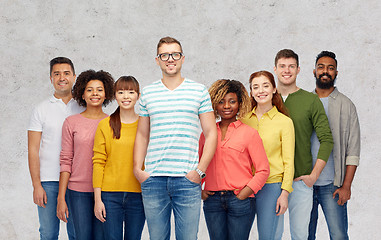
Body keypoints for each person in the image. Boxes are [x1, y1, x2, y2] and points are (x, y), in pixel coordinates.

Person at [133, 36, 218, 240]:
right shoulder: (148, 93)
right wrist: (138, 169)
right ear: (157, 60)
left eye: (175, 54)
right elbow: (142, 134)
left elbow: (211, 133)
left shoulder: (198, 91)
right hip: (154, 180)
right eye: (164, 55)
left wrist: (200, 171)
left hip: (187, 180)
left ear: (182, 58)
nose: (170, 59)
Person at [273, 49, 334, 240]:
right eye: (282, 66)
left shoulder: (310, 100)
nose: (287, 70)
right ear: (275, 69)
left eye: (291, 66)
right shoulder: (265, 98)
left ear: (298, 69)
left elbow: (327, 139)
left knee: (300, 235)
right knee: (271, 235)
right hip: (272, 181)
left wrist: (313, 176)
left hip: (300, 181)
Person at [200, 79, 270, 240]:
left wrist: (245, 192)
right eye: (221, 102)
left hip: (240, 200)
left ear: (239, 103)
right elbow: (196, 164)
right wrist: (200, 190)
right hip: (212, 201)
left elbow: (263, 170)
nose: (226, 106)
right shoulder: (207, 134)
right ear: (215, 105)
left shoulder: (249, 133)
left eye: (232, 101)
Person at [308, 51, 360, 240]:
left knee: (338, 236)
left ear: (336, 73)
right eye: (321, 67)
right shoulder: (304, 102)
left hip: (333, 185)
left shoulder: (346, 106)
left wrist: (346, 186)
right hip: (305, 184)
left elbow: (353, 150)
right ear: (314, 71)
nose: (325, 71)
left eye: (330, 68)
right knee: (304, 235)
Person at [56, 70, 114, 240]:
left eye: (99, 89)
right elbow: (66, 160)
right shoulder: (71, 122)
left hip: (106, 191)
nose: (94, 93)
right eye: (89, 89)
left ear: (106, 93)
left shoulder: (113, 123)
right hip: (77, 191)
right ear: (82, 93)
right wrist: (61, 197)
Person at [28, 57, 81, 240]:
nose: (62, 78)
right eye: (56, 74)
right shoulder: (41, 109)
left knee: (78, 233)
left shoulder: (83, 107)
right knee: (48, 233)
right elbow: (33, 150)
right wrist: (37, 185)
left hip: (77, 182)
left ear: (74, 76)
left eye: (66, 73)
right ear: (51, 78)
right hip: (48, 181)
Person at [241, 71, 295, 240]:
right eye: (255, 87)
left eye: (265, 85)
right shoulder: (243, 120)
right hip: (244, 186)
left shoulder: (284, 122)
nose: (261, 91)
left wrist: (284, 193)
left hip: (271, 187)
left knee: (267, 236)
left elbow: (288, 161)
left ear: (274, 89)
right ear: (251, 92)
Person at [92, 76, 145, 240]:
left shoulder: (146, 125)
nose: (126, 96)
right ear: (115, 96)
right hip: (110, 195)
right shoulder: (105, 124)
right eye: (121, 92)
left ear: (138, 95)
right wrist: (98, 200)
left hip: (139, 195)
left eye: (131, 92)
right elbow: (98, 163)